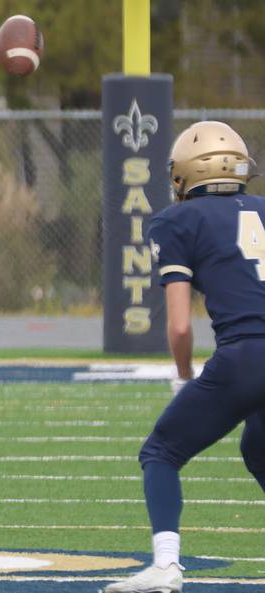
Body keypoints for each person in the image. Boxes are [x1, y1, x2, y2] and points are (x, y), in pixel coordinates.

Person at [103, 120, 265, 593]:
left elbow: (177, 325)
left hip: (246, 355)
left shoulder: (177, 220)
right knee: (258, 450)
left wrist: (183, 375)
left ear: (186, 173)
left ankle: (166, 567)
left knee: (161, 451)